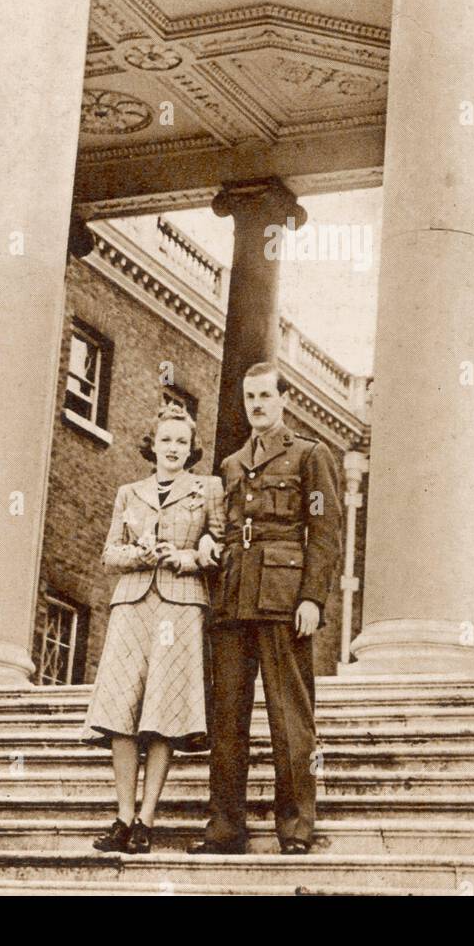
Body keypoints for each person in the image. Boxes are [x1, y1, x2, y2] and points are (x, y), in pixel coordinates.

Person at [188, 362, 343, 855]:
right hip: (234, 597)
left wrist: (313, 598)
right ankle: (224, 828)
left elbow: (325, 533)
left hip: (283, 599)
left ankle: (296, 827)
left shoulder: (310, 456)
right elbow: (226, 526)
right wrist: (212, 543)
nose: (256, 405)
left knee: (290, 717)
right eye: (249, 397)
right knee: (227, 716)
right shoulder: (232, 465)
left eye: (264, 396)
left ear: (282, 400)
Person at [84, 401, 224, 854]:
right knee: (122, 712)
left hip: (180, 608)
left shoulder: (209, 490)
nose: (173, 448)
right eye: (165, 440)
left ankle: (147, 819)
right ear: (153, 444)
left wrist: (187, 557)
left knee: (162, 712)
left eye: (182, 442)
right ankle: (122, 816)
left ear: (191, 448)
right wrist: (138, 555)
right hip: (132, 606)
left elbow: (219, 548)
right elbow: (109, 554)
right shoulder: (129, 492)